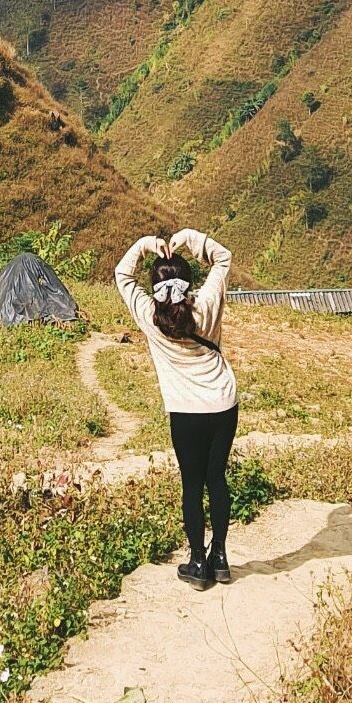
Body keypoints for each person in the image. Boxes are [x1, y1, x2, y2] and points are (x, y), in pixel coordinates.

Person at [115, 226, 238, 589]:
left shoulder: (148, 315)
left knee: (191, 484)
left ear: (154, 286)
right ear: (189, 280)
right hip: (223, 404)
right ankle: (221, 558)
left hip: (185, 412)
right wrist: (190, 238)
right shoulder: (205, 306)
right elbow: (224, 257)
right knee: (217, 479)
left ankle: (197, 563)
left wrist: (142, 244)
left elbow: (122, 274)